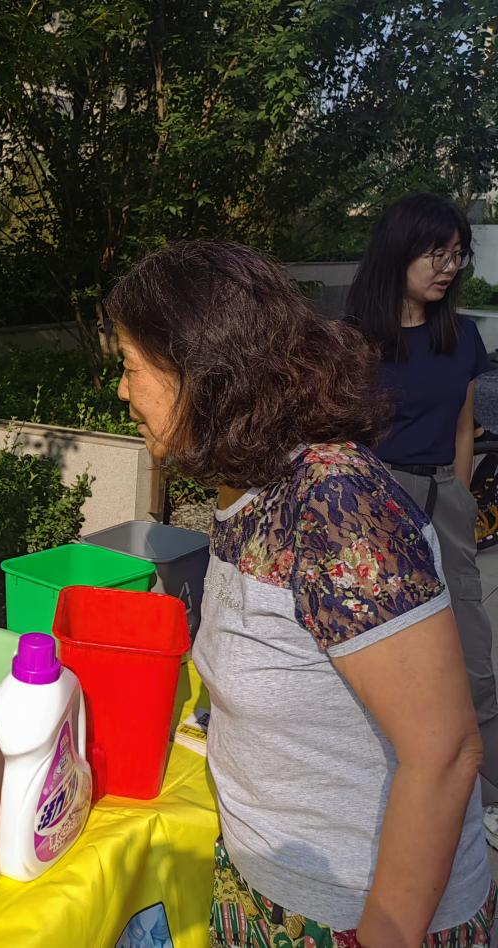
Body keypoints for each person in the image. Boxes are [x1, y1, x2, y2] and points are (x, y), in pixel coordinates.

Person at [108, 240, 493, 947]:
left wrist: (386, 932)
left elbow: (443, 752)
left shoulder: (334, 500)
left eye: (132, 368)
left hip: (361, 915)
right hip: (271, 889)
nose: (123, 390)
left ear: (203, 373)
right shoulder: (248, 485)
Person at [348, 193, 498, 843]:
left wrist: (458, 495)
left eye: (457, 254)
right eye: (436, 252)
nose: (448, 266)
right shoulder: (356, 341)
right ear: (398, 250)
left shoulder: (462, 336)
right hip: (379, 502)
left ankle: (485, 796)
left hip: (445, 496)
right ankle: (382, 779)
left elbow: (465, 424)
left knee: (470, 650)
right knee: (381, 648)